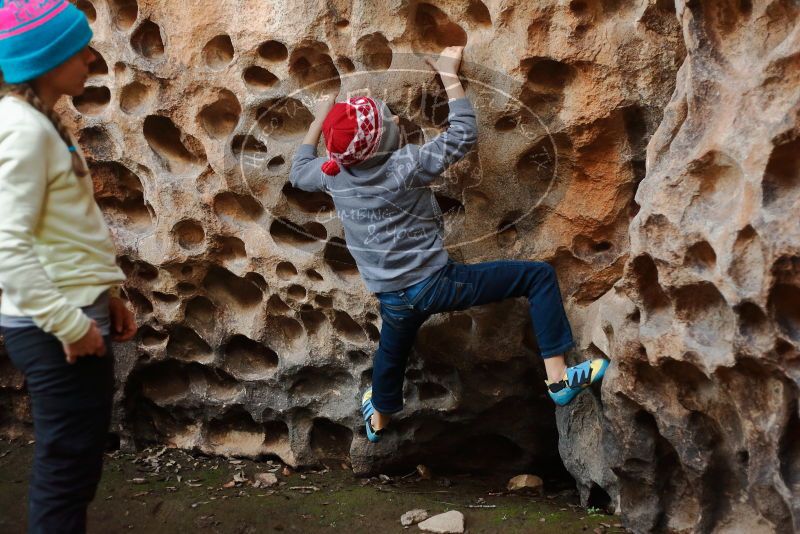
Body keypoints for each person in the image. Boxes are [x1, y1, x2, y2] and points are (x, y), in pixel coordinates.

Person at [289, 45, 608, 444]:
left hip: (392, 297)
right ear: (383, 141)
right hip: (437, 285)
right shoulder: (405, 166)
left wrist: (320, 119)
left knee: (392, 351)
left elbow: (299, 171)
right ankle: (559, 377)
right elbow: (462, 135)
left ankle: (380, 417)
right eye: (387, 118)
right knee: (538, 276)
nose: (393, 115)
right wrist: (448, 75)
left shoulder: (332, 175)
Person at [0, 1, 137, 531]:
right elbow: (7, 246)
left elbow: (62, 231)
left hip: (75, 311)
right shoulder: (23, 130)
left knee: (76, 465)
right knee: (66, 470)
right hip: (53, 325)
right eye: (78, 49)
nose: (89, 57)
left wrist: (106, 293)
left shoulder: (41, 121)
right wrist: (69, 323)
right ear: (46, 58)